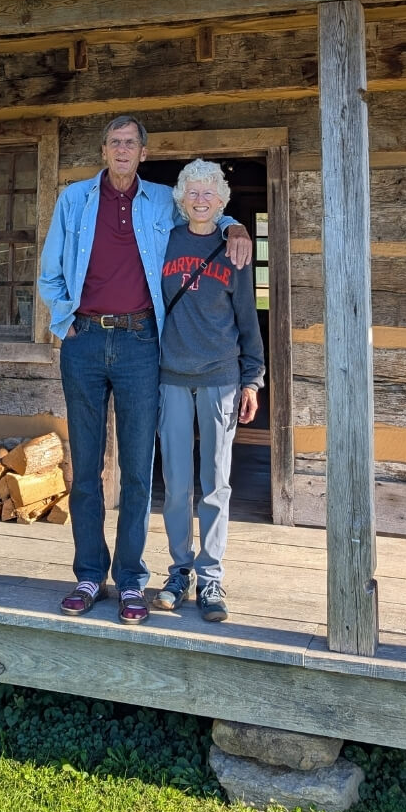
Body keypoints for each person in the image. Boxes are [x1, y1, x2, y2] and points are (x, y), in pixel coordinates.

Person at [38, 118, 251, 626]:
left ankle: (131, 579)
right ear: (104, 149)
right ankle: (90, 573)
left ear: (143, 151)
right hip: (84, 341)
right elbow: (49, 271)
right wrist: (65, 321)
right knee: (86, 469)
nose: (122, 150)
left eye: (131, 143)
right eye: (114, 142)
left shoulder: (159, 200)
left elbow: (205, 212)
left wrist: (235, 226)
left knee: (137, 469)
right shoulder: (74, 200)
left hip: (139, 344)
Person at [154, 159, 264, 622]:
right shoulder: (163, 240)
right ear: (181, 198)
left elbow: (247, 316)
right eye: (192, 192)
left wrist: (252, 378)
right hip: (172, 377)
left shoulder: (233, 247)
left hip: (220, 377)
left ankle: (212, 575)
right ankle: (180, 569)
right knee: (177, 486)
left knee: (215, 484)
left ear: (221, 201)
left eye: (209, 193)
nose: (200, 200)